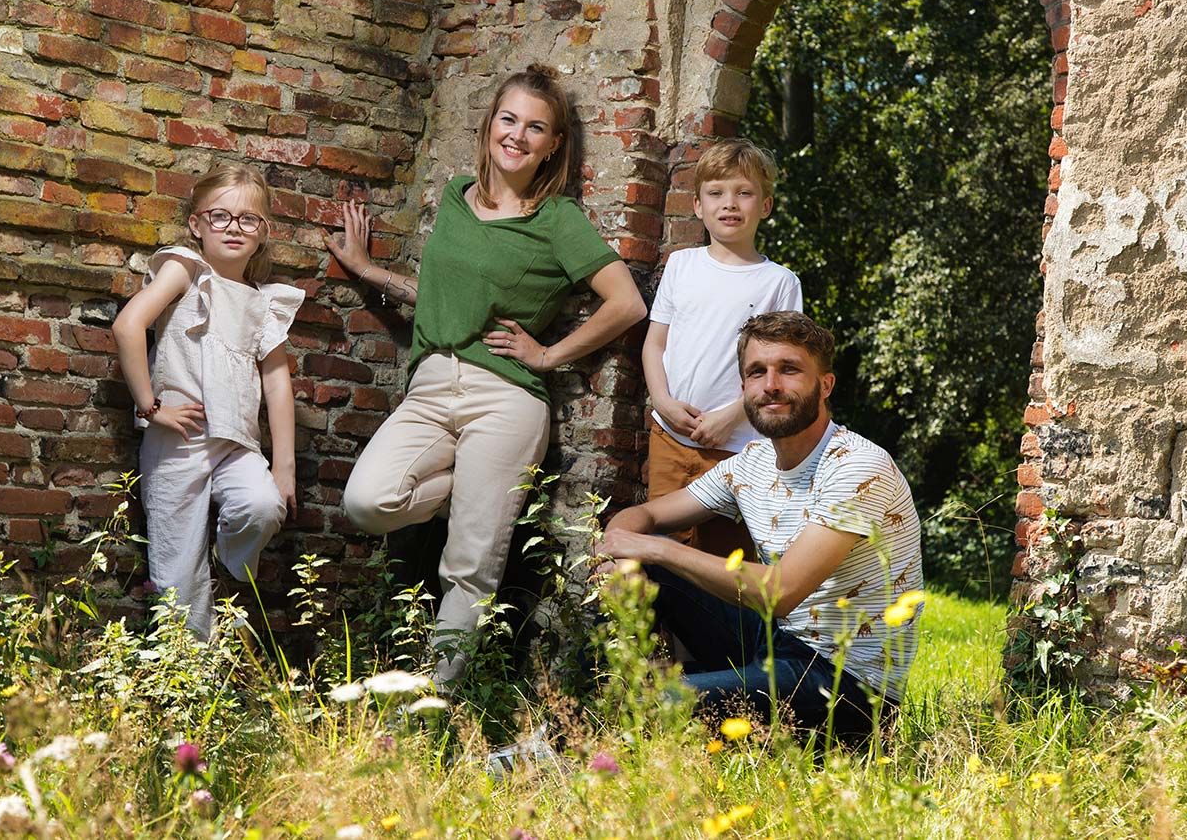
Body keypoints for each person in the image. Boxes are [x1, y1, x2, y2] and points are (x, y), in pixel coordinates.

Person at [328, 64, 647, 685]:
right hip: (429, 388)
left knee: (469, 565)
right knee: (367, 502)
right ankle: (466, 492)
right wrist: (367, 270)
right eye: (509, 120)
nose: (518, 136)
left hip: (505, 399)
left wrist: (551, 355)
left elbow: (627, 303)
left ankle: (432, 705)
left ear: (553, 144)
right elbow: (445, 298)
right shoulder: (454, 197)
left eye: (536, 128)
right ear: (490, 123)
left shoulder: (557, 219)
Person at [599, 312, 923, 741]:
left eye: (789, 369)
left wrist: (655, 549)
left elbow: (779, 592)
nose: (771, 384)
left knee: (661, 703)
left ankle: (544, 758)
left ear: (825, 385)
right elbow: (649, 516)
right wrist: (624, 556)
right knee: (645, 589)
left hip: (846, 685)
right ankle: (627, 691)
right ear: (745, 389)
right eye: (757, 372)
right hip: (774, 642)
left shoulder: (858, 467)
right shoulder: (751, 463)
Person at [113, 163, 304, 638]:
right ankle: (191, 676)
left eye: (248, 219)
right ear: (196, 225)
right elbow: (127, 326)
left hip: (237, 441)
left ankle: (231, 559)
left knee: (262, 506)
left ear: (263, 233)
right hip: (179, 439)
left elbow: (278, 383)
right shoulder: (185, 270)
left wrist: (284, 466)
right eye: (220, 216)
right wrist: (150, 406)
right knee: (177, 571)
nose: (234, 227)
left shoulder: (264, 303)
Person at [643, 139, 802, 559]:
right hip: (671, 435)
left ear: (765, 206)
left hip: (739, 447)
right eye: (716, 193)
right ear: (697, 205)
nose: (729, 204)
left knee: (725, 563)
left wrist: (731, 415)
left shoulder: (779, 282)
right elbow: (655, 343)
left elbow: (780, 369)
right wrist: (662, 400)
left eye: (744, 193)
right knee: (664, 553)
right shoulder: (682, 265)